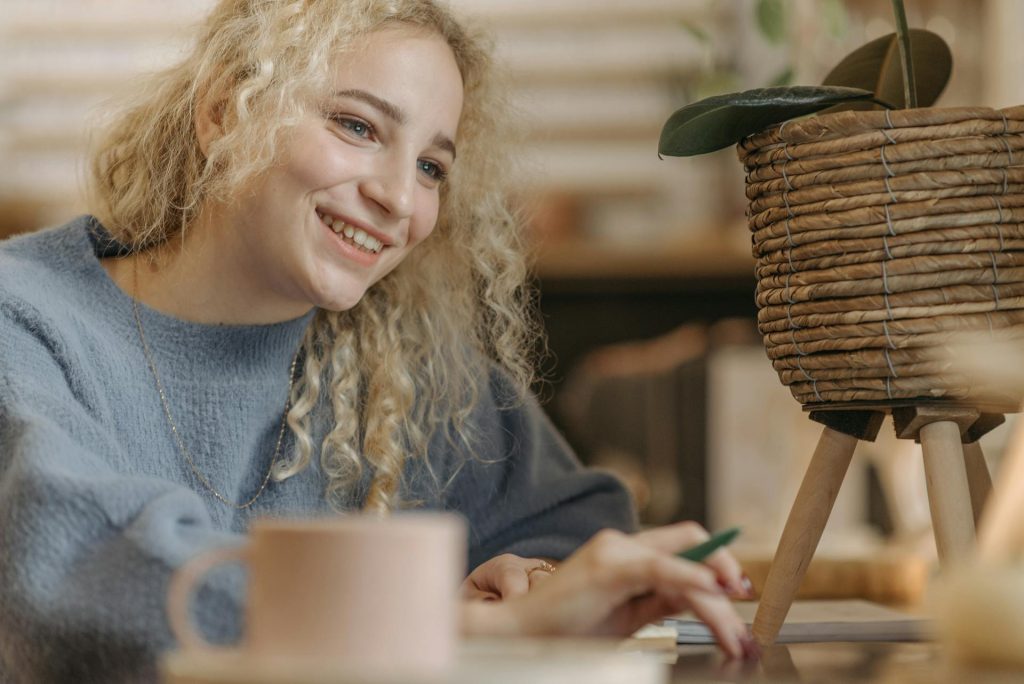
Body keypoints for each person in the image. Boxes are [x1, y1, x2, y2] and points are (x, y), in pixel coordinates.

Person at [0, 0, 755, 680]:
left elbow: (575, 531)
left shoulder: (405, 360)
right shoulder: (23, 317)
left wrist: (532, 580)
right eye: (358, 127)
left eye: (431, 166)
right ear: (225, 109)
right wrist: (468, 627)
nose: (398, 198)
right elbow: (74, 572)